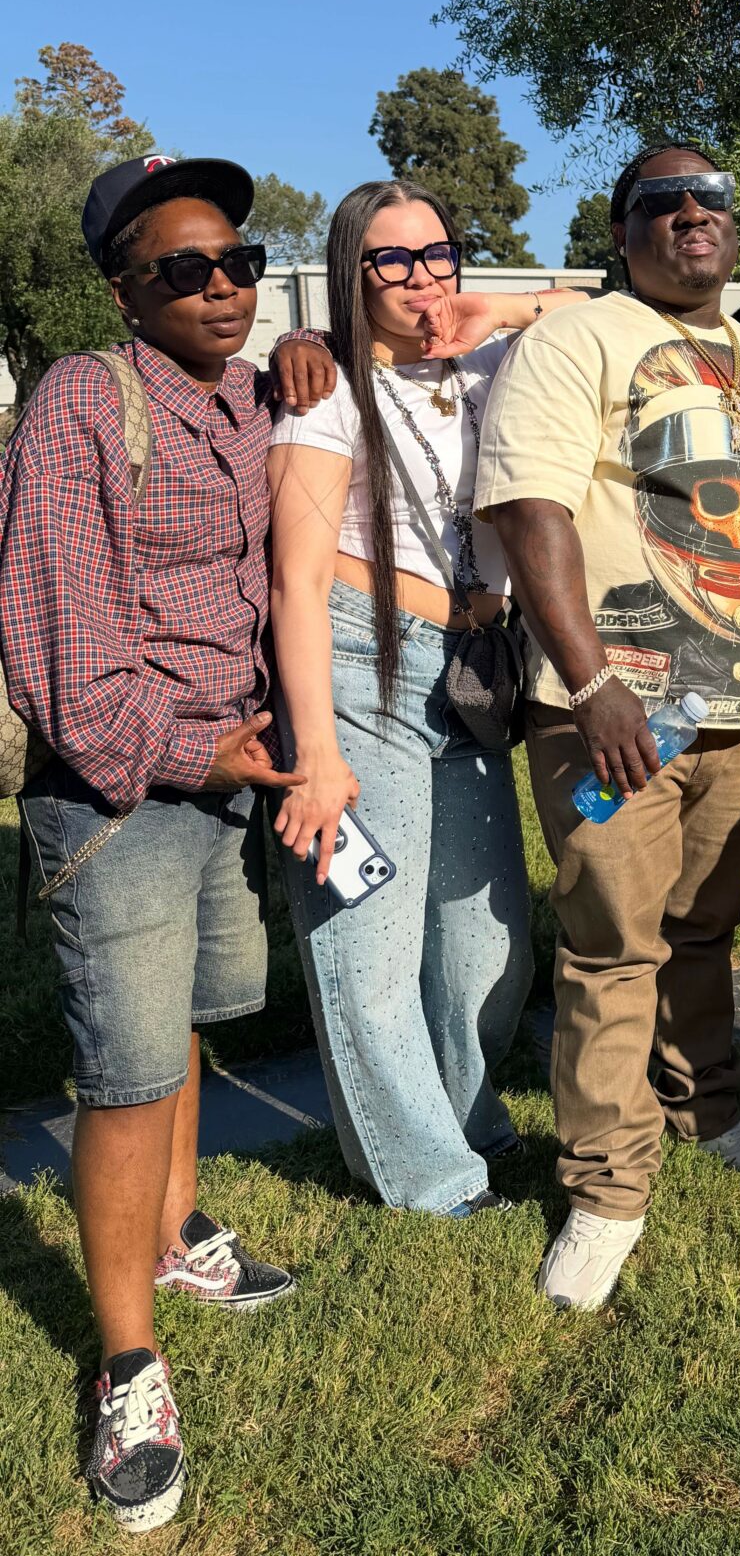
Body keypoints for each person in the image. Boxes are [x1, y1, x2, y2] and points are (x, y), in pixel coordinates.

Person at [0, 154, 335, 1531]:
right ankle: (128, 1365)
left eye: (239, 262)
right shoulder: (84, 401)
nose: (220, 286)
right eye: (181, 269)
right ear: (122, 291)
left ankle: (181, 1230)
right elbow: (57, 643)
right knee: (127, 1070)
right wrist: (195, 754)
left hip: (225, 777)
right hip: (125, 788)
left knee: (187, 1020)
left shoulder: (255, 394)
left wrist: (319, 347)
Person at [477, 142, 740, 1311]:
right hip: (615, 718)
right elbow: (532, 511)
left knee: (705, 928)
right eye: (659, 202)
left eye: (710, 196)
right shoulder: (576, 340)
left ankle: (704, 1104)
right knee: (613, 945)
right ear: (622, 232)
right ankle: (607, 1187)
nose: (690, 214)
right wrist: (593, 682)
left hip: (739, 711)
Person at [267, 181, 586, 1217]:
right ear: (352, 272)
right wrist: (317, 752)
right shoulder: (326, 389)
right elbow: (295, 583)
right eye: (392, 260)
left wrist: (498, 309)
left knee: (491, 943)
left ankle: (459, 1113)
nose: (421, 278)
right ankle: (427, 1175)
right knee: (369, 939)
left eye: (438, 253)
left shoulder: (489, 361)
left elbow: (599, 308)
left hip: (475, 669)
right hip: (363, 663)